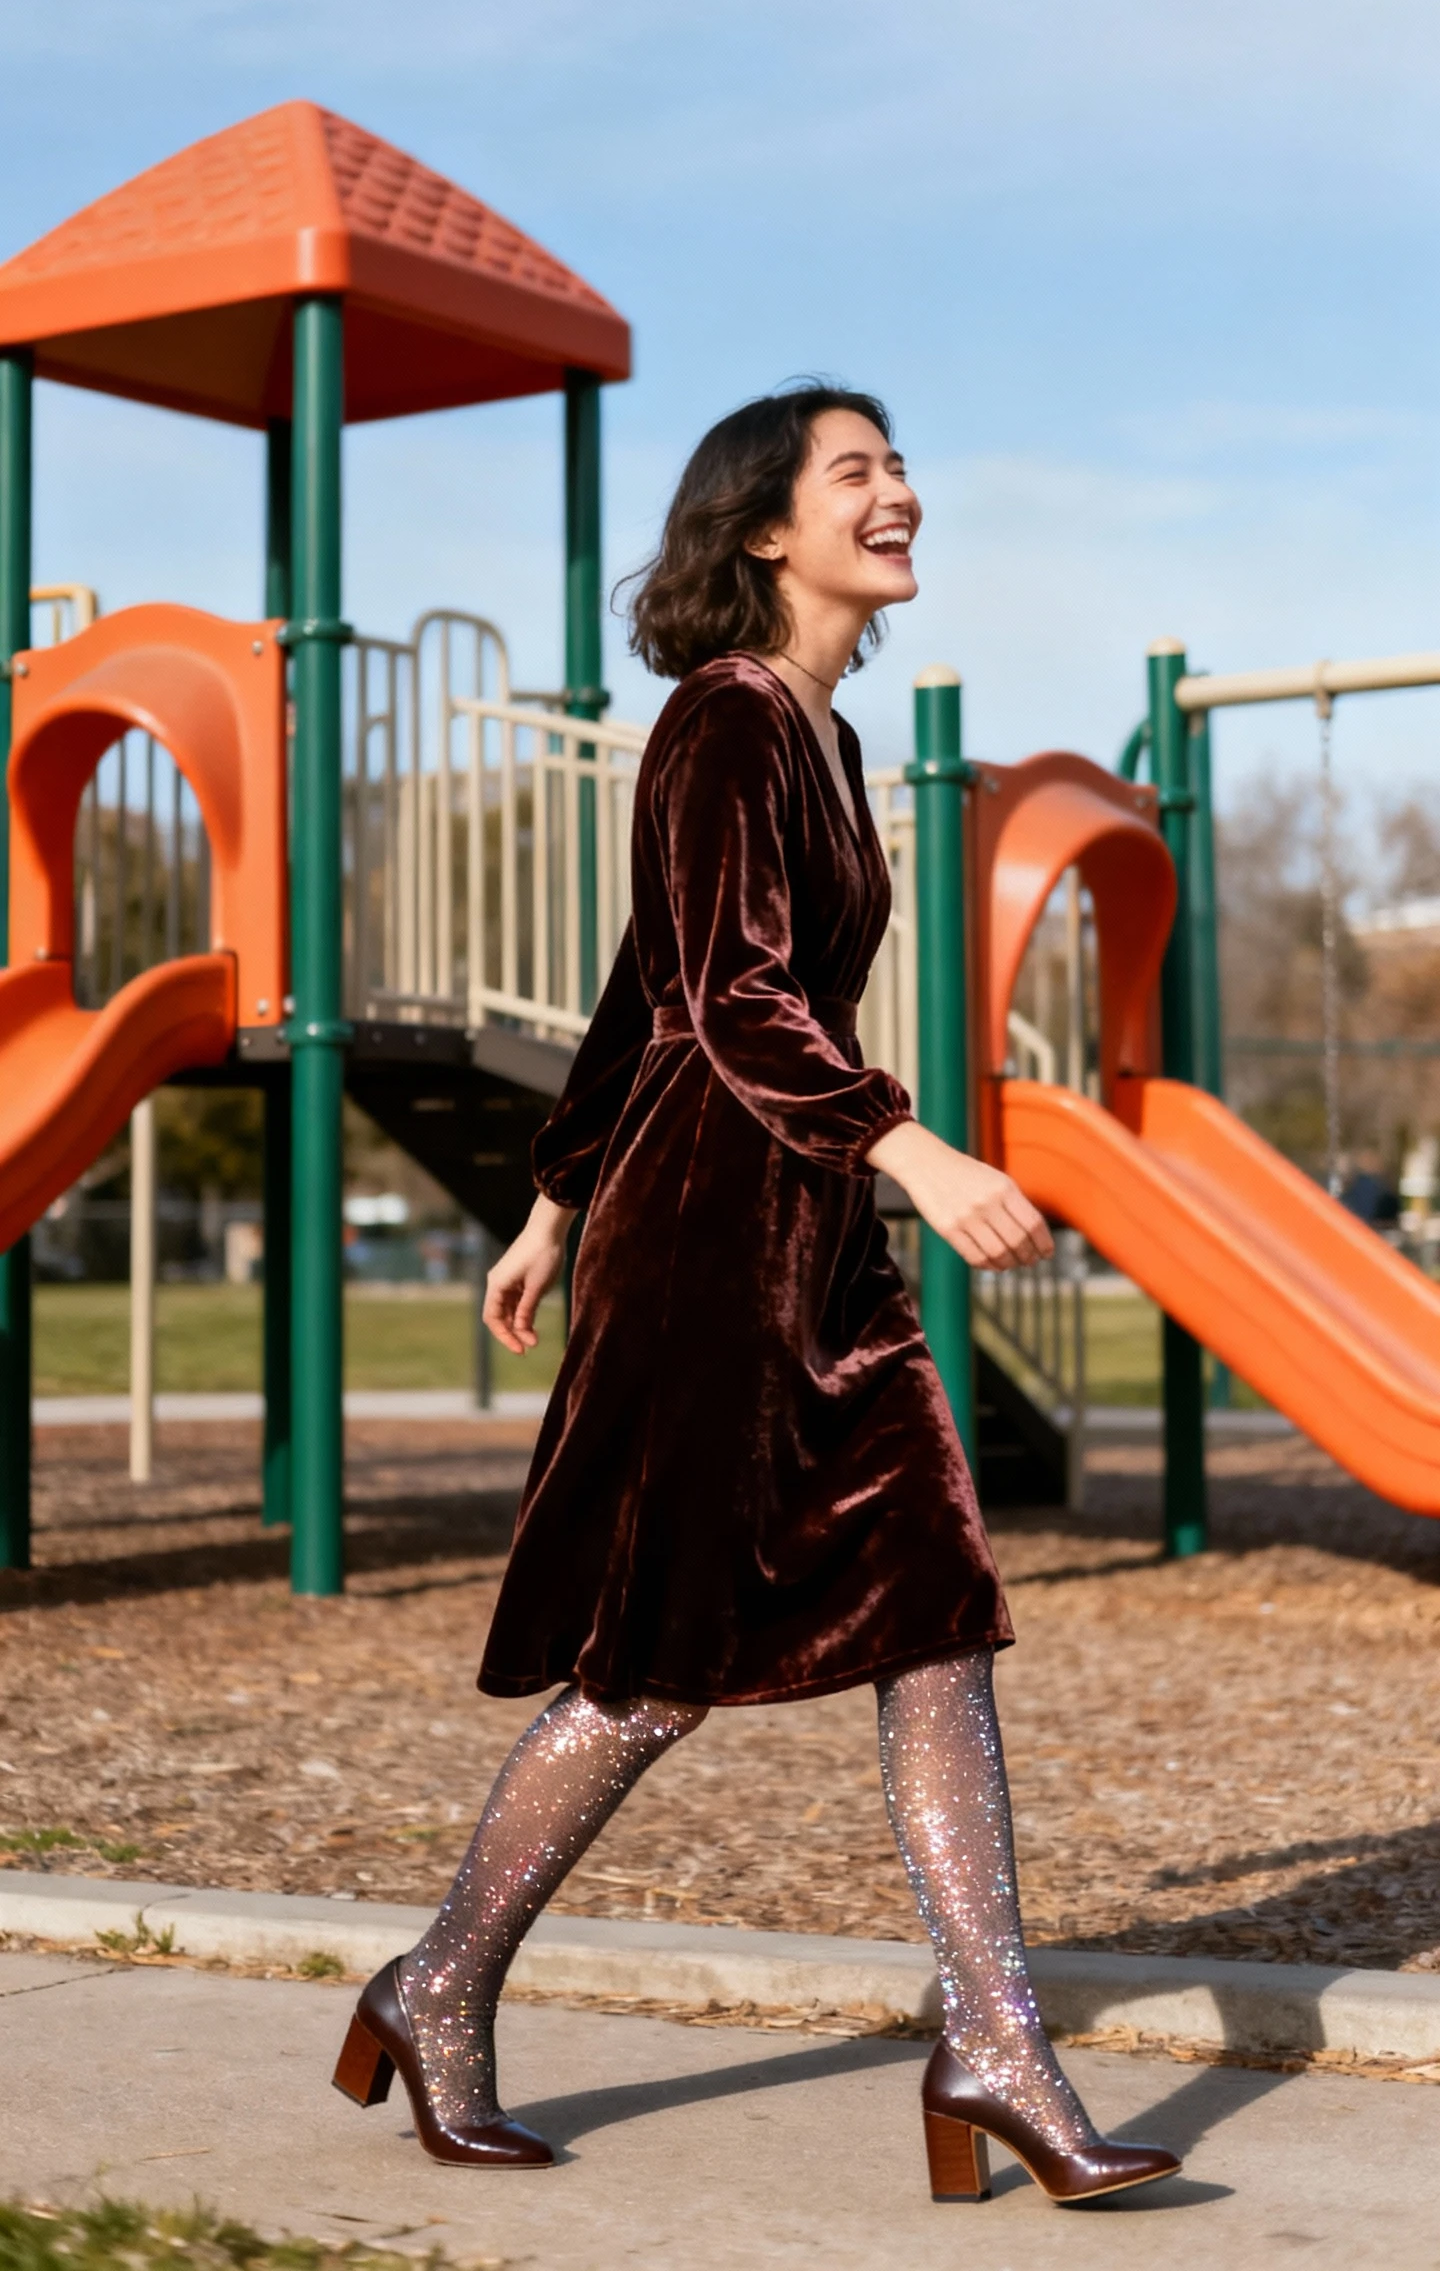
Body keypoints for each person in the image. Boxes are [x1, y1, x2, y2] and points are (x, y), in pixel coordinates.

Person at [332, 387, 1181, 2207]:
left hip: (807, 1239)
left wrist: (552, 1191)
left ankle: (994, 2037)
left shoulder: (820, 731)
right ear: (764, 531)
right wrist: (914, 1148)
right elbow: (718, 992)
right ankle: (441, 1987)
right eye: (856, 473)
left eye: (897, 468)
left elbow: (642, 977)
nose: (902, 495)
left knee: (935, 1608)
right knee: (651, 1670)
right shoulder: (722, 720)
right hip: (718, 1251)